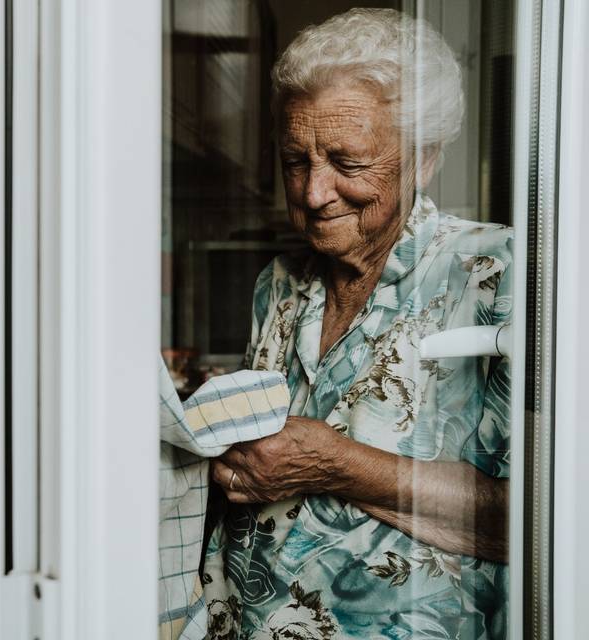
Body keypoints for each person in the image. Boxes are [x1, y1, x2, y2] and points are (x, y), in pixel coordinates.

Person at [198, 9, 511, 640]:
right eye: (295, 159)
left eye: (347, 161)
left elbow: (541, 519)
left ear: (422, 160)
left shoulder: (498, 274)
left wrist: (336, 464)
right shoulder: (279, 283)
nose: (314, 193)